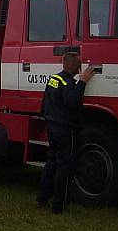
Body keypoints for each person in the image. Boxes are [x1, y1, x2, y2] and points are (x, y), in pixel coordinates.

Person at [37, 52, 95, 214]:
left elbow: (43, 105)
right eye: (79, 64)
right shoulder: (68, 83)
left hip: (52, 127)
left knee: (51, 164)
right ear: (75, 66)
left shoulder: (54, 79)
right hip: (66, 130)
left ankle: (42, 199)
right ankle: (58, 205)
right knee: (64, 167)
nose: (81, 67)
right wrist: (82, 82)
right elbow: (71, 100)